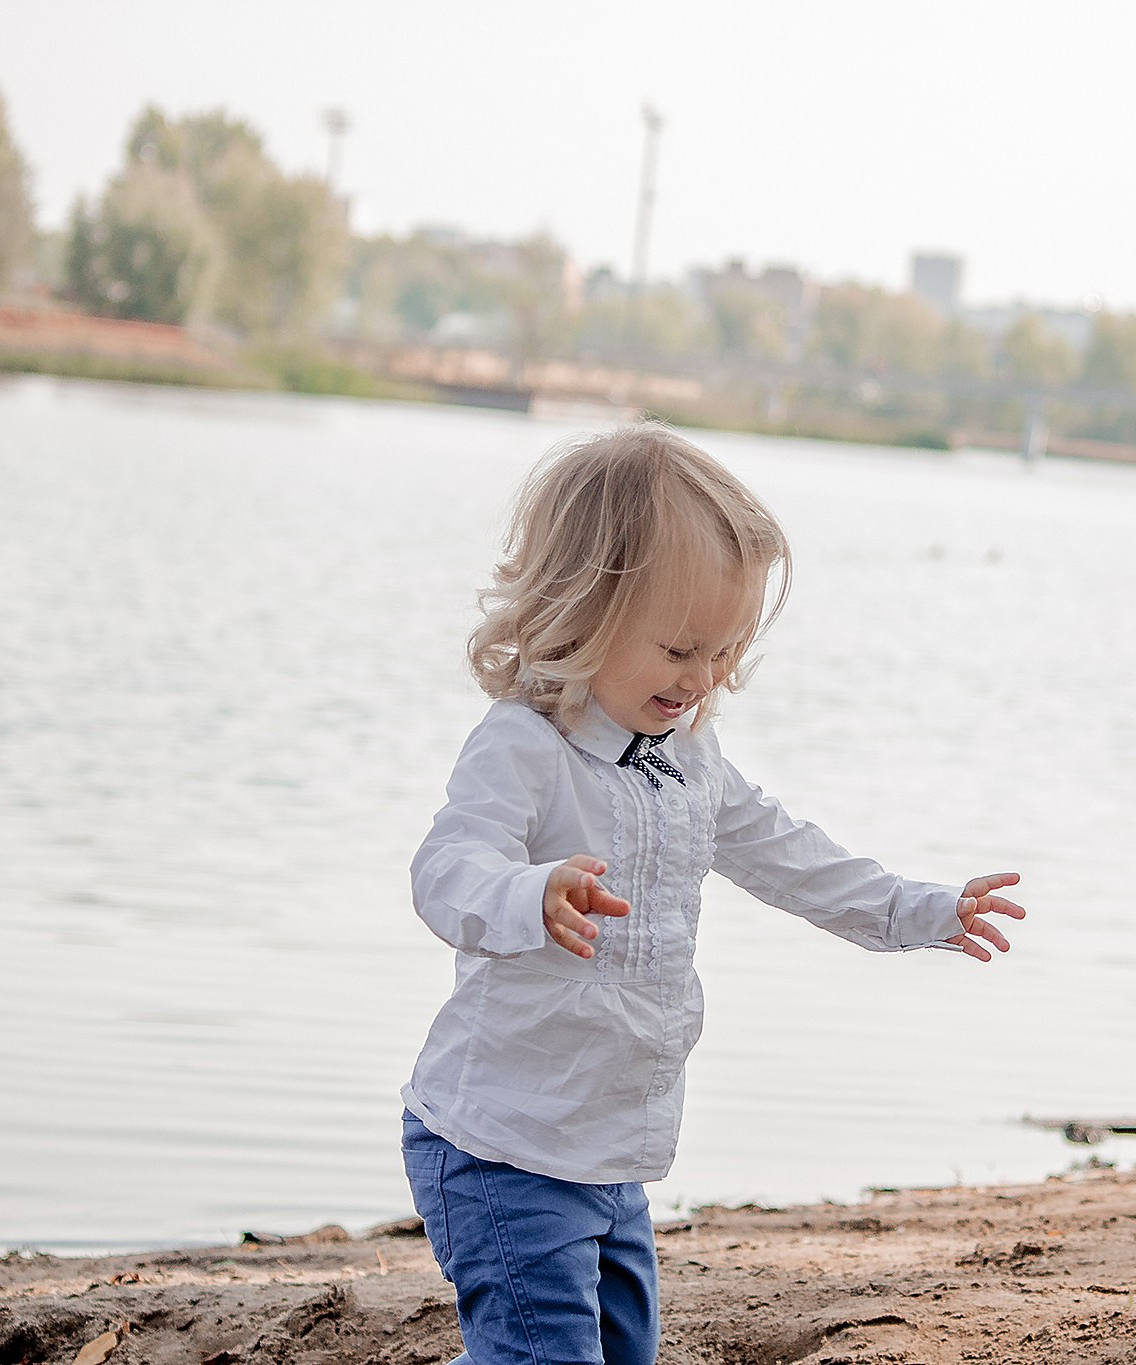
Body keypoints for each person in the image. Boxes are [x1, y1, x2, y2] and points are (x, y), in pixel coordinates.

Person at [401, 424, 1025, 1365]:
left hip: (612, 1154)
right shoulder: (524, 747)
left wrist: (925, 911)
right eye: (681, 648)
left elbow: (794, 858)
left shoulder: (690, 766)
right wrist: (534, 893)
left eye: (724, 652)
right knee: (544, 1357)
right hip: (503, 1147)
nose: (702, 679)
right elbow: (446, 871)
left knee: (618, 1354)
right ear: (586, 610)